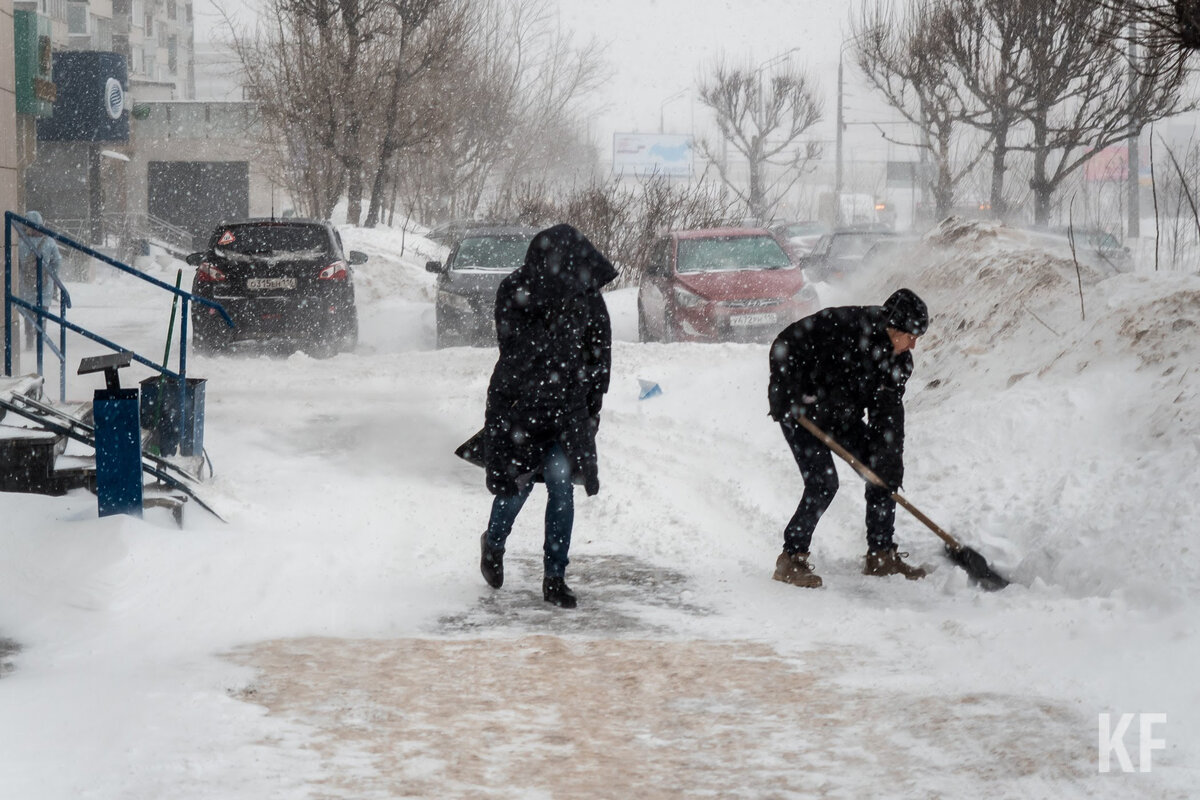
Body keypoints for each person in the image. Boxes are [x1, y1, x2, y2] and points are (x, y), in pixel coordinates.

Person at [460, 223, 617, 609]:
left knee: (562, 484)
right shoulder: (516, 289)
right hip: (522, 409)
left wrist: (590, 405)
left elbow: (600, 355)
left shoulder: (587, 297)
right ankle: (493, 544)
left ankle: (554, 578)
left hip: (569, 409)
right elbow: (510, 349)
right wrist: (546, 358)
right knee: (518, 485)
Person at [767, 288, 930, 588]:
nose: (914, 344)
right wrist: (784, 392)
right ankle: (791, 558)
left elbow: (888, 418)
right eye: (911, 336)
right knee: (823, 483)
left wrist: (888, 465)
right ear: (894, 327)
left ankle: (880, 555)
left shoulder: (899, 363)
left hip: (842, 415)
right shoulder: (844, 326)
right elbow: (785, 344)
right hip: (801, 409)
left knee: (882, 473)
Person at [16, 211, 62, 349]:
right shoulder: (49, 242)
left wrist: (21, 274)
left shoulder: (20, 242)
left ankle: (30, 340)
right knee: (42, 314)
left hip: (26, 284)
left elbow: (16, 263)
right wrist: (51, 274)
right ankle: (40, 341)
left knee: (28, 315)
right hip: (44, 285)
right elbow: (57, 261)